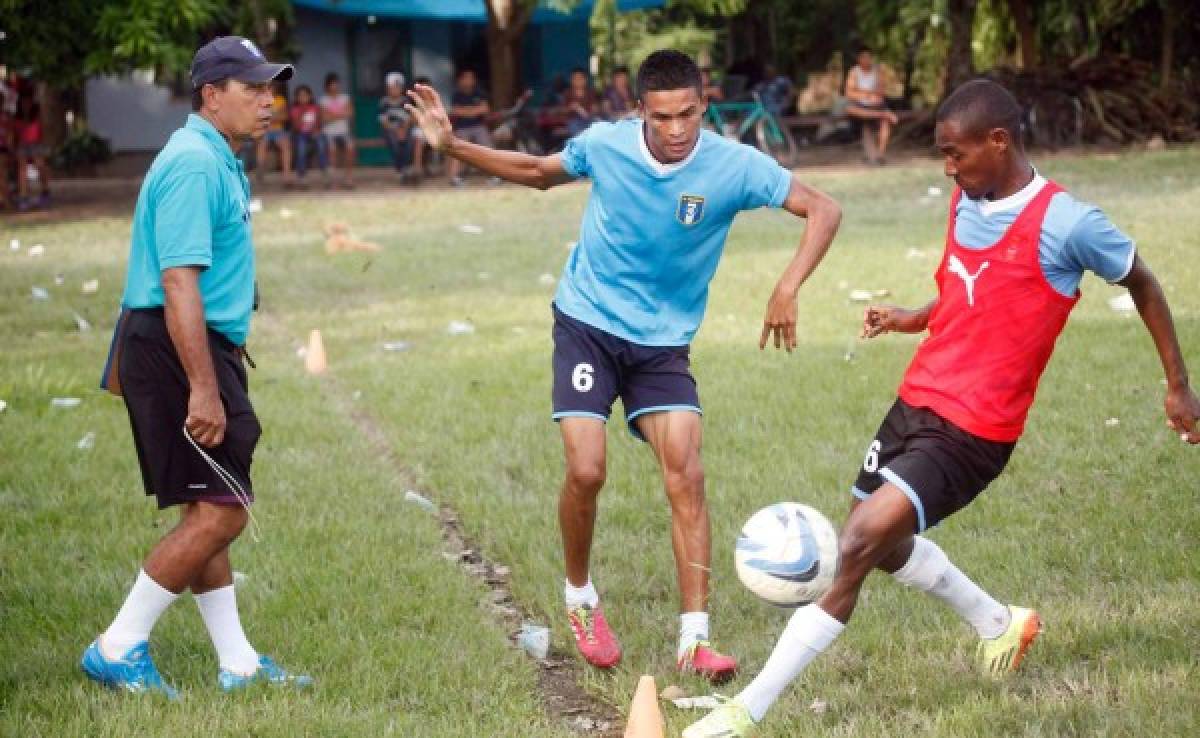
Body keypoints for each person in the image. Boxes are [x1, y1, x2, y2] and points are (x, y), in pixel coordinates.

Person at [684, 78, 1200, 738]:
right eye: (943, 157)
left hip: (975, 429)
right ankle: (1000, 623)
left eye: (956, 155)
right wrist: (913, 317)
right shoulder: (965, 198)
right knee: (886, 544)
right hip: (916, 399)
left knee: (856, 545)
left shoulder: (1068, 223)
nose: (949, 169)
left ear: (1000, 141)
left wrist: (1178, 385)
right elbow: (967, 283)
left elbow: (1144, 283)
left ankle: (746, 711)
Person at [406, 49, 841, 682]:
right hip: (588, 323)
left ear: (704, 105)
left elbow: (823, 208)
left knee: (686, 472)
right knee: (587, 469)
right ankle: (580, 597)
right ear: (640, 110)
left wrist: (788, 286)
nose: (676, 130)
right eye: (662, 117)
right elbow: (534, 170)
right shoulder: (606, 145)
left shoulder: (734, 164)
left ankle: (695, 641)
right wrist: (451, 145)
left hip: (662, 345)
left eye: (688, 114)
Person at [82, 36, 311, 698]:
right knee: (224, 510)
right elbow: (179, 281)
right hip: (177, 347)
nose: (269, 102)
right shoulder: (192, 164)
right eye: (253, 90)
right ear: (212, 96)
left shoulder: (217, 157)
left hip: (190, 344)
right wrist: (205, 390)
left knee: (210, 504)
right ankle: (118, 645)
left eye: (270, 89)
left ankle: (237, 663)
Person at [844, 47, 898, 165]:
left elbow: (881, 92)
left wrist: (868, 94)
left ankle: (880, 155)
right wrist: (867, 94)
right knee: (850, 109)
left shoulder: (877, 71)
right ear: (859, 59)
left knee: (884, 123)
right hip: (861, 106)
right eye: (864, 57)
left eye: (869, 57)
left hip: (875, 105)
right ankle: (884, 114)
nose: (867, 60)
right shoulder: (854, 72)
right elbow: (849, 93)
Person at [447, 68, 493, 186]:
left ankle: (495, 175)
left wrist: (467, 110)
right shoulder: (457, 95)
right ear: (460, 80)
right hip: (462, 127)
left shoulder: (479, 92)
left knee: (488, 147)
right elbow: (455, 111)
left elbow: (485, 109)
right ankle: (454, 178)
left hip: (478, 126)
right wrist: (474, 110)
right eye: (466, 78)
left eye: (471, 78)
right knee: (458, 148)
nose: (469, 80)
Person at [14, 91, 51, 210]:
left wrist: (44, 144)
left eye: (28, 100)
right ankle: (23, 196)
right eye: (24, 101)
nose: (26, 104)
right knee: (22, 169)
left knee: (40, 165)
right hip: (23, 144)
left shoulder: (37, 113)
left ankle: (45, 191)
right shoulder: (18, 115)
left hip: (36, 143)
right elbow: (15, 132)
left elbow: (43, 129)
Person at [255, 80, 294, 186]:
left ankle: (287, 176)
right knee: (262, 144)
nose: (270, 90)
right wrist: (274, 116)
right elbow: (259, 116)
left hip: (278, 130)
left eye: (271, 87)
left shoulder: (281, 100)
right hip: (265, 130)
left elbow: (285, 117)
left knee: (286, 146)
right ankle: (260, 171)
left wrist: (270, 116)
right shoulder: (260, 100)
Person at [319, 72, 355, 188]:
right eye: (331, 84)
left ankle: (348, 178)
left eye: (336, 84)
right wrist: (341, 114)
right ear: (327, 86)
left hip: (344, 131)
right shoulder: (323, 100)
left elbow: (350, 113)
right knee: (332, 149)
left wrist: (332, 115)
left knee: (350, 147)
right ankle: (333, 180)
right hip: (328, 132)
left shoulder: (345, 98)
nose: (334, 86)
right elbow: (324, 118)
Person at [378, 71, 413, 177]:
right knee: (394, 142)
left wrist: (403, 129)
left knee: (408, 142)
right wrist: (395, 129)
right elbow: (384, 122)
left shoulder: (405, 101)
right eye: (392, 87)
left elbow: (409, 119)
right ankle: (400, 169)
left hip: (404, 129)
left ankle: (405, 168)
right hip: (389, 130)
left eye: (397, 87)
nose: (395, 89)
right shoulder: (384, 102)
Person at [289, 84, 326, 184]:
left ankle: (324, 170)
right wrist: (302, 113)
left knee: (321, 143)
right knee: (301, 148)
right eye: (300, 96)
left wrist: (316, 130)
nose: (303, 98)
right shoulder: (294, 109)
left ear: (310, 96)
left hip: (314, 133)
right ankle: (301, 174)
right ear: (296, 98)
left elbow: (319, 122)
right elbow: (296, 127)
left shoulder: (315, 108)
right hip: (301, 134)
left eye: (305, 96)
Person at [561, 67, 598, 137]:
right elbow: (563, 111)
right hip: (573, 121)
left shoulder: (590, 92)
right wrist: (571, 108)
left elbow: (595, 109)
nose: (577, 81)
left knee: (597, 126)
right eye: (575, 79)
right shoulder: (568, 93)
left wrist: (592, 111)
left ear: (585, 80)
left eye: (580, 78)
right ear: (571, 80)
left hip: (589, 119)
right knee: (576, 129)